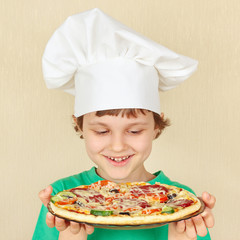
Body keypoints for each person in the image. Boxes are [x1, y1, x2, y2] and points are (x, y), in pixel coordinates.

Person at [33, 8, 215, 240]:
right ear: (80, 127)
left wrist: (181, 235)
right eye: (101, 130)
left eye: (134, 130)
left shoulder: (181, 202)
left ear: (156, 126)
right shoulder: (62, 198)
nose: (117, 146)